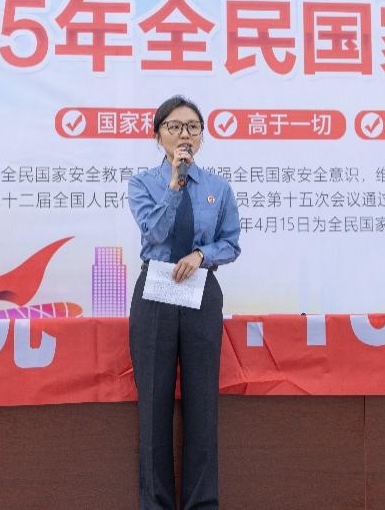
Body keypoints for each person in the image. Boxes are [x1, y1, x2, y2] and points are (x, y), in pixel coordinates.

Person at [126, 95, 241, 510]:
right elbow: (153, 232)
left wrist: (201, 255)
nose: (184, 134)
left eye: (193, 127)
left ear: (202, 136)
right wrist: (175, 185)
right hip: (156, 290)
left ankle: (202, 504)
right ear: (158, 135)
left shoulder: (218, 188)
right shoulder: (143, 184)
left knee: (202, 404)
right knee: (154, 405)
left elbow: (231, 243)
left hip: (200, 290)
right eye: (174, 126)